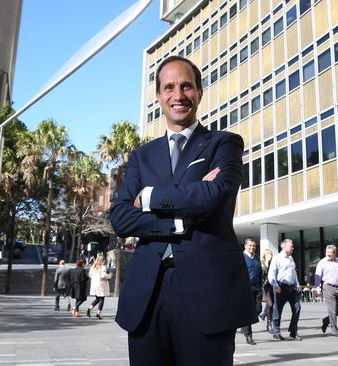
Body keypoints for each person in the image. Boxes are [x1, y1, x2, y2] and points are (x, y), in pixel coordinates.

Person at [110, 55, 256, 366]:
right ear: (159, 96)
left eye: (187, 86)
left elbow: (212, 195)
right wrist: (176, 222)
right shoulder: (142, 156)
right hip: (148, 296)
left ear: (199, 93)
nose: (178, 95)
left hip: (208, 294)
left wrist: (148, 198)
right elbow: (120, 217)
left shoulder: (224, 144)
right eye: (169, 87)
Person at [267, 239, 302, 341]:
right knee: (278, 310)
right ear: (284, 247)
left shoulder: (291, 258)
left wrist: (297, 283)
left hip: (292, 288)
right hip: (281, 287)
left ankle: (293, 331)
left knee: (297, 308)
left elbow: (293, 272)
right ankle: (276, 332)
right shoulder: (277, 258)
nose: (293, 248)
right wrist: (275, 285)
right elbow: (271, 274)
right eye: (291, 246)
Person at [314, 244, 338, 337]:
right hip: (327, 287)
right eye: (327, 253)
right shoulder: (322, 262)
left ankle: (326, 320)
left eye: (330, 253)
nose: (328, 255)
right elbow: (317, 277)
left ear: (335, 253)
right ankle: (334, 330)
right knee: (332, 310)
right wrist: (318, 288)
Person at [240, 239, 262, 345]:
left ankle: (242, 322)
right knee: (247, 311)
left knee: (258, 309)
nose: (252, 247)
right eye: (250, 245)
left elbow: (260, 272)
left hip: (257, 287)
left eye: (254, 246)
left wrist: (260, 286)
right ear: (245, 246)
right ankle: (249, 336)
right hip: (245, 288)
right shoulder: (241, 257)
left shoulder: (257, 257)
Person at [87, 254, 112, 320]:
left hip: (94, 285)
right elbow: (103, 275)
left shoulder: (93, 267)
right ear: (102, 260)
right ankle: (98, 313)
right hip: (101, 284)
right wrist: (109, 275)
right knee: (102, 299)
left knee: (97, 298)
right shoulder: (103, 267)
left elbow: (89, 275)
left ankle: (89, 309)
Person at [259, 248, 274, 333]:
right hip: (265, 287)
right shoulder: (262, 265)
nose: (270, 256)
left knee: (271, 306)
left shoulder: (272, 263)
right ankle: (268, 321)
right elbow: (262, 276)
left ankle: (269, 323)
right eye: (268, 254)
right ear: (265, 255)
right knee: (270, 304)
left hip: (272, 286)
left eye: (270, 254)